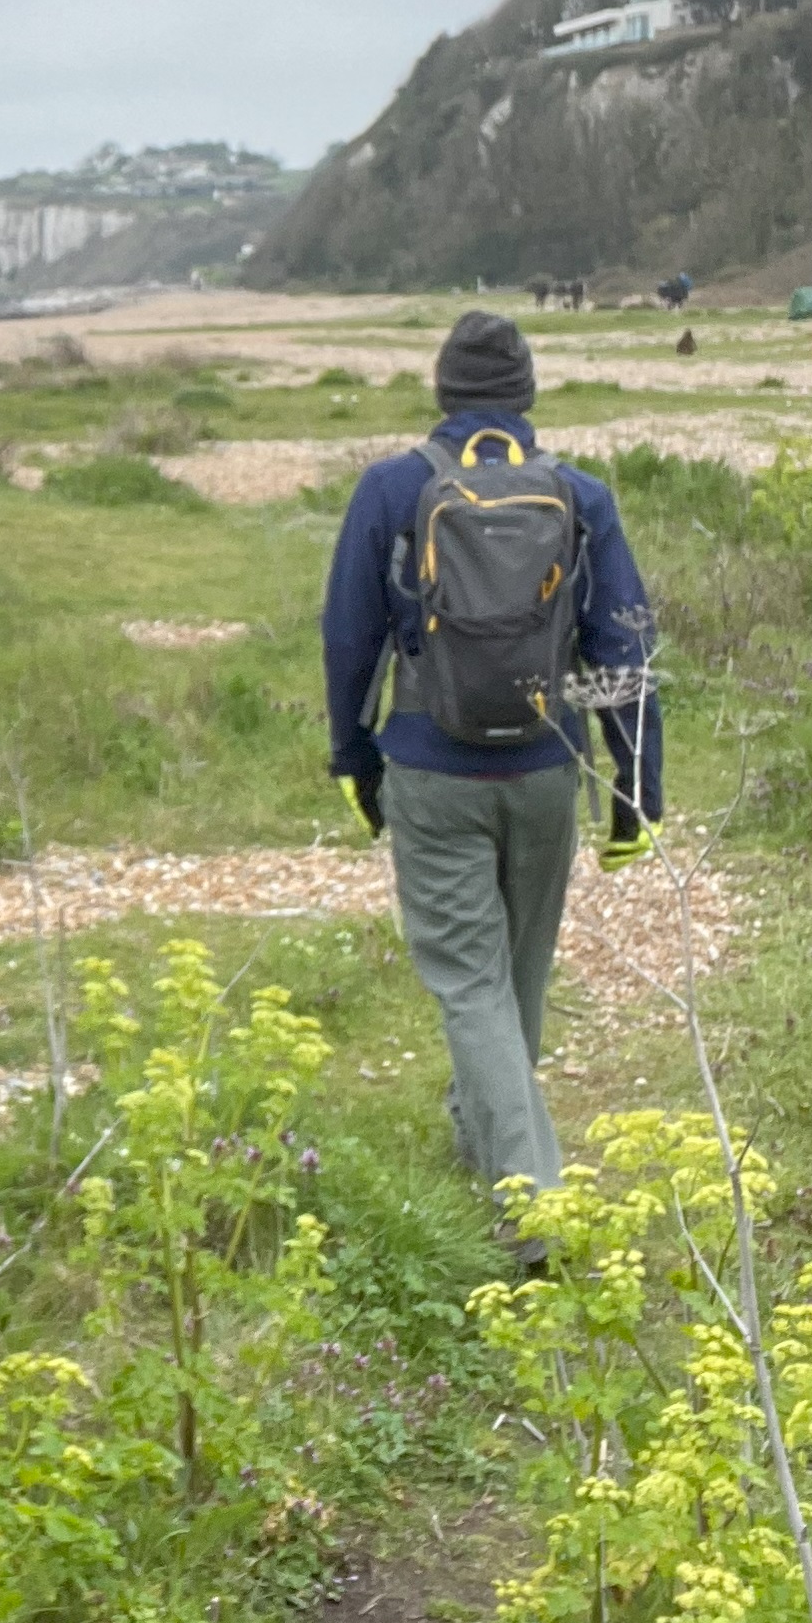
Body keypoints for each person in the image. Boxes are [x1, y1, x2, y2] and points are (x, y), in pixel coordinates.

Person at [321, 310, 663, 1234]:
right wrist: (638, 797)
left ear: (440, 393)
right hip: (548, 771)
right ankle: (493, 1142)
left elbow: (348, 642)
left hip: (429, 771)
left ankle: (529, 1211)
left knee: (472, 986)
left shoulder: (391, 490)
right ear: (525, 397)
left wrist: (357, 765)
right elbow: (621, 650)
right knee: (514, 979)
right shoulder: (578, 496)